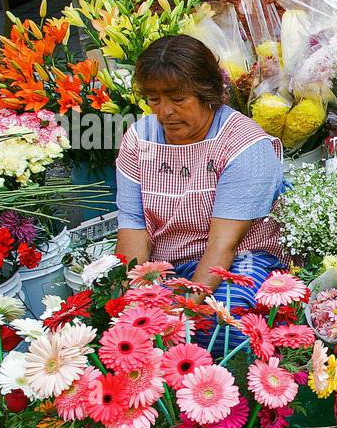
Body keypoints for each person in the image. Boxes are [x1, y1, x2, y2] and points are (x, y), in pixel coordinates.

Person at [115, 34, 284, 352]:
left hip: (237, 261)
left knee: (220, 324)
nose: (165, 112)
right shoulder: (139, 139)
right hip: (164, 264)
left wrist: (185, 308)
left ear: (206, 93)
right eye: (154, 99)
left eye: (178, 99)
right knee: (125, 328)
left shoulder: (243, 144)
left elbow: (224, 245)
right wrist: (137, 296)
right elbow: (132, 225)